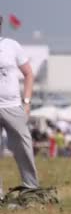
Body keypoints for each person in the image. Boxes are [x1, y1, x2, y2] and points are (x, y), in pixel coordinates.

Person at [0, 15, 40, 188]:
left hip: (12, 106)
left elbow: (29, 74)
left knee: (24, 147)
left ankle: (31, 188)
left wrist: (27, 102)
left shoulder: (11, 45)